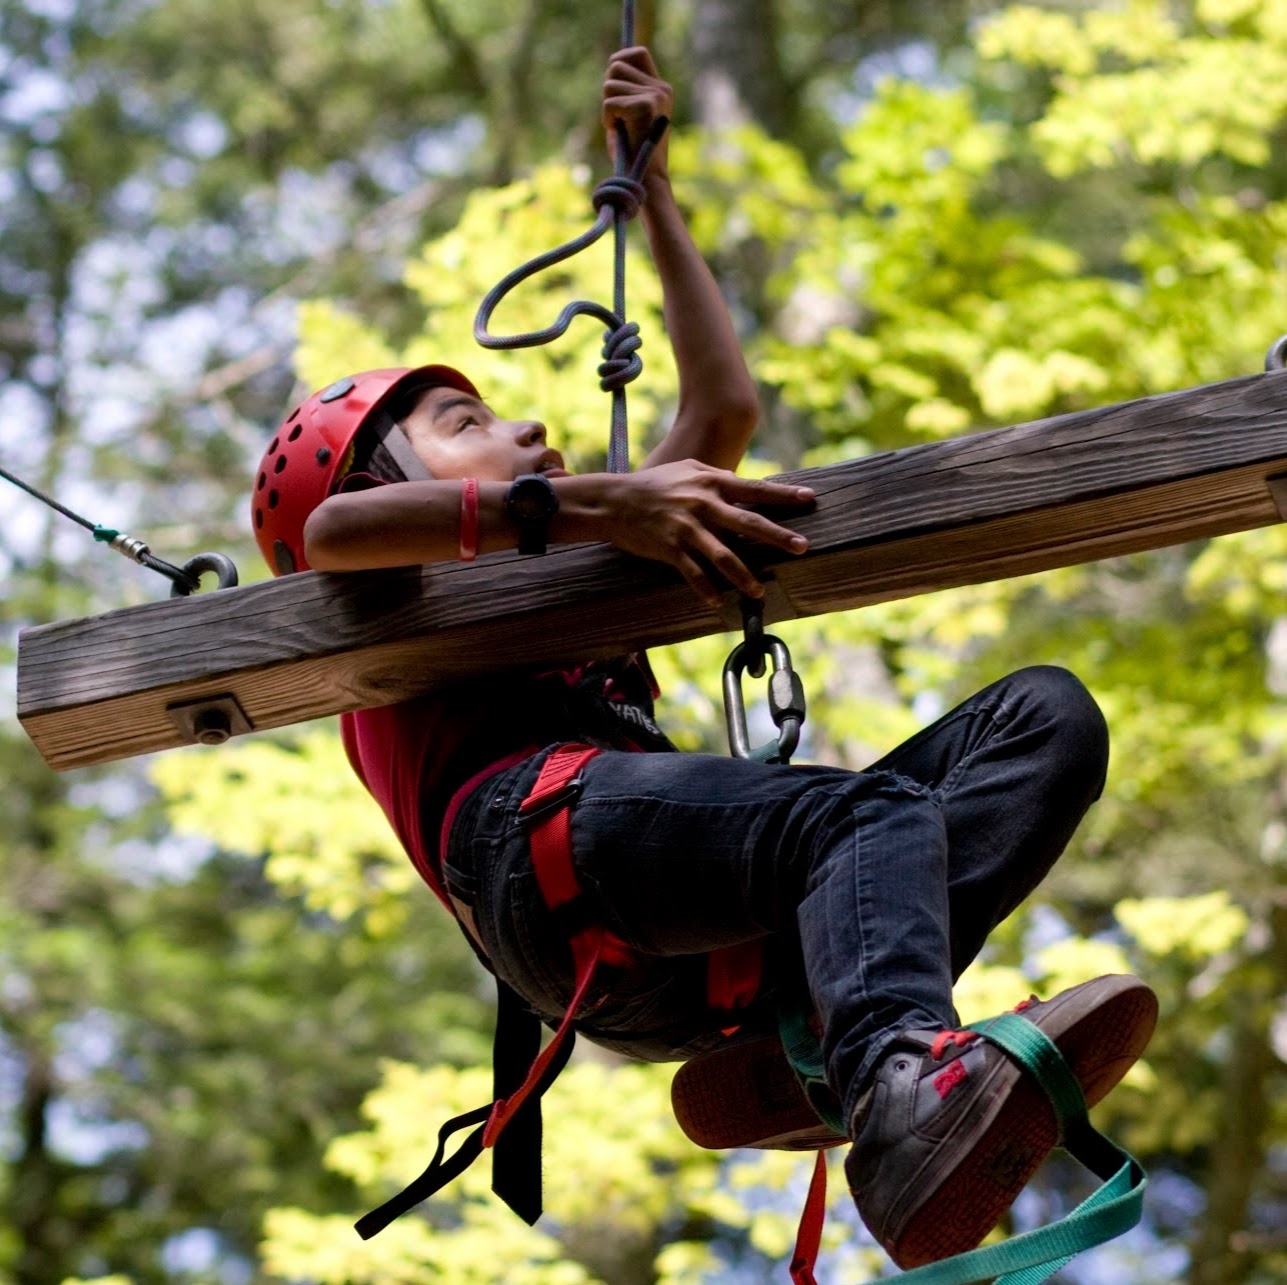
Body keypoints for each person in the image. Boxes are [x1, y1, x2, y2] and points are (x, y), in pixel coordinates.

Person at [250, 46, 1157, 1272]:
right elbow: (331, 532)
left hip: (679, 933)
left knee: (1044, 720)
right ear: (375, 470)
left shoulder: (578, 546)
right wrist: (595, 508)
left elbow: (720, 412)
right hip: (535, 851)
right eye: (464, 425)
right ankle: (897, 1083)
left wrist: (652, 192)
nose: (527, 425)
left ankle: (813, 1050)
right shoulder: (386, 579)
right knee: (861, 814)